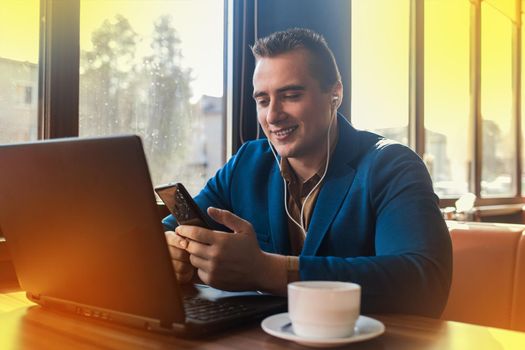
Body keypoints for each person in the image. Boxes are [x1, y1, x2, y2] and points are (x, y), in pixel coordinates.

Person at [163, 28, 452, 317]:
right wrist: (170, 252)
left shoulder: (391, 165)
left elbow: (423, 280)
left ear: (335, 94)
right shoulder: (247, 162)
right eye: (263, 100)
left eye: (290, 95)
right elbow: (169, 229)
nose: (273, 115)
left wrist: (267, 270)